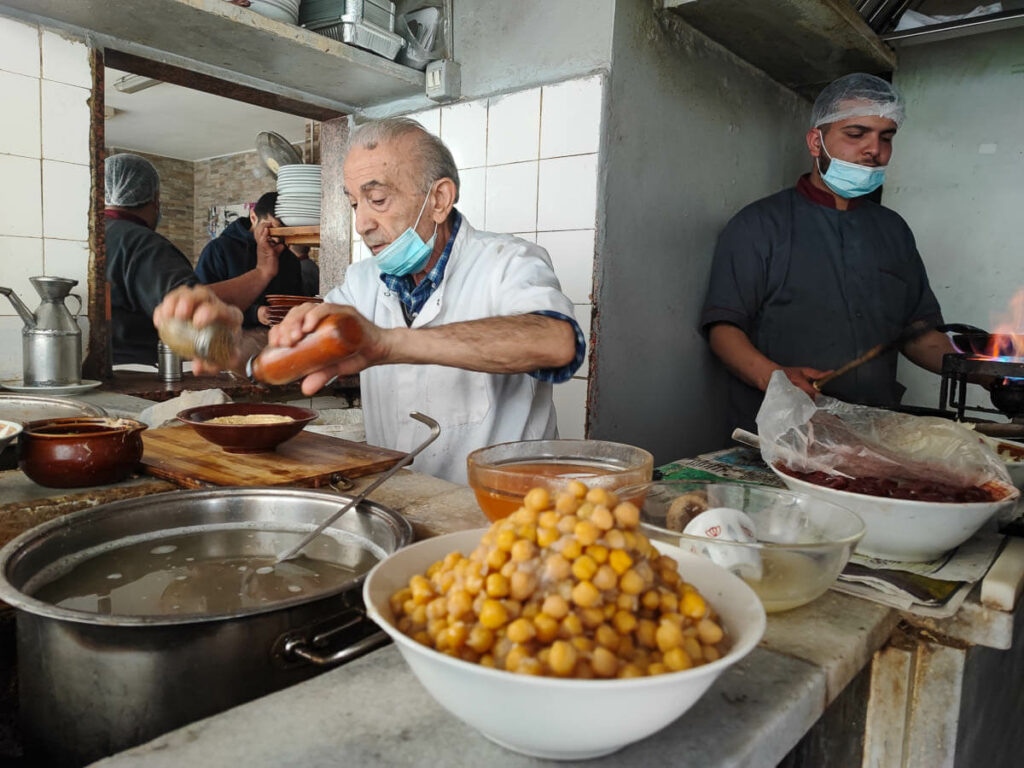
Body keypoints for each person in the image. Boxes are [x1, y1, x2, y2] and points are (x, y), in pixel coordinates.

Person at [154, 118, 585, 483]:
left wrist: (387, 344)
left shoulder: (506, 262)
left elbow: (556, 343)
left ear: (439, 199)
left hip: (500, 518)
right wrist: (231, 343)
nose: (361, 223)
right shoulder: (363, 282)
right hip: (402, 499)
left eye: (377, 200)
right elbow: (289, 350)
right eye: (355, 202)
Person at [700, 73, 957, 432]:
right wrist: (774, 378)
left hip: (875, 431)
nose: (874, 150)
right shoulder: (759, 225)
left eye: (886, 137)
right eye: (856, 134)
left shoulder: (893, 231)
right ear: (815, 142)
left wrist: (990, 372)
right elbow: (724, 329)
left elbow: (920, 335)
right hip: (782, 434)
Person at [104, 153, 285, 364]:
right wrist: (262, 273)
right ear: (155, 199)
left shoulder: (88, 237)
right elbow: (193, 310)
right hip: (138, 373)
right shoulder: (143, 245)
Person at [195, 192, 313, 328]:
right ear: (253, 217)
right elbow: (201, 305)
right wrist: (254, 314)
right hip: (228, 340)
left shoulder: (290, 259)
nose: (276, 239)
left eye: (283, 233)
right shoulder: (218, 250)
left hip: (276, 340)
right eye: (272, 230)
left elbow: (294, 302)